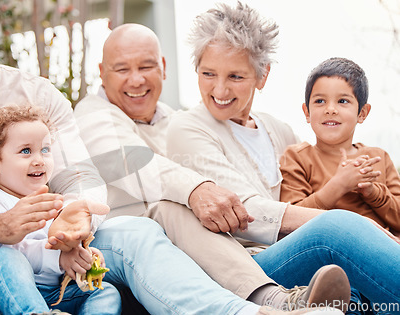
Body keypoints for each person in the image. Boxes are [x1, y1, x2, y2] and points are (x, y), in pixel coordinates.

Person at [0, 1, 328, 315]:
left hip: (55, 255)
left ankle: (251, 313)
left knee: (135, 234)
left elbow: (81, 177)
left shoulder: (39, 95)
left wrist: (77, 221)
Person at [73, 17, 349, 314]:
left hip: (193, 250)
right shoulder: (92, 115)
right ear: (102, 73)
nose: (137, 80)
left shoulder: (175, 119)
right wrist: (196, 190)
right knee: (170, 207)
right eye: (122, 69)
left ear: (164, 67)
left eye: (146, 66)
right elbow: (137, 168)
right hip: (113, 245)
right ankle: (273, 300)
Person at [166, 1, 400, 313]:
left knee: (358, 280)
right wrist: (361, 228)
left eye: (236, 76)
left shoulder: (278, 129)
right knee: (336, 230)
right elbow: (244, 213)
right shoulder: (188, 128)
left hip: (292, 255)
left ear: (262, 76)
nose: (219, 88)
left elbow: (316, 172)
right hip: (247, 266)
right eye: (208, 73)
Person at [0, 105, 121, 314]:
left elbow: (59, 245)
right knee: (8, 259)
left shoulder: (54, 202)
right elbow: (6, 254)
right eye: (25, 151)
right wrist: (60, 259)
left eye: (45, 150)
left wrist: (81, 256)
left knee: (105, 292)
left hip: (48, 293)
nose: (39, 160)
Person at [279, 57, 400, 234]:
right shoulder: (297, 158)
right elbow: (289, 223)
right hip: (325, 250)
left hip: (381, 249)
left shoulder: (378, 158)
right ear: (307, 112)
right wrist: (338, 185)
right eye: (320, 101)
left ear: (362, 113)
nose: (330, 109)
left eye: (342, 101)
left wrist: (373, 192)